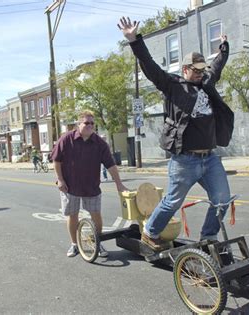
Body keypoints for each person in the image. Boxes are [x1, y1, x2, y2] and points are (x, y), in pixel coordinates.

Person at [118, 17, 234, 249]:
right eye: (196, 70)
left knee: (222, 200)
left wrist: (223, 47)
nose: (201, 73)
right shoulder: (173, 85)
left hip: (210, 158)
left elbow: (217, 66)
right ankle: (150, 232)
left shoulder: (206, 82)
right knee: (172, 202)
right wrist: (134, 40)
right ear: (185, 69)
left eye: (203, 69)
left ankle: (208, 237)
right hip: (185, 160)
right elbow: (150, 66)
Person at [51, 110, 129, 257]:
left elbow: (110, 165)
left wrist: (119, 183)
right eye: (87, 123)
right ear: (78, 124)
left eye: (92, 123)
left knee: (96, 215)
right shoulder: (66, 139)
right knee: (72, 215)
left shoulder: (100, 144)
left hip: (91, 186)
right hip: (70, 186)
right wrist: (60, 179)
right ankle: (74, 244)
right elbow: (56, 160)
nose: (90, 125)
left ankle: (97, 243)